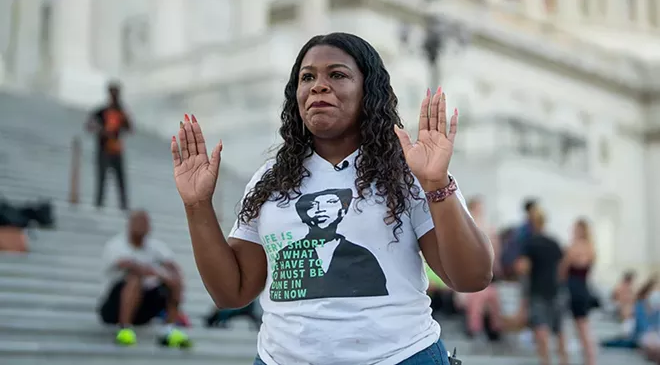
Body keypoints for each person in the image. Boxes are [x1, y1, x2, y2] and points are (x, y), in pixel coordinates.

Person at [171, 32, 494, 365]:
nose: (318, 86)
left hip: (400, 357)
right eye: (307, 77)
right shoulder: (269, 180)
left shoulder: (407, 172)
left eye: (337, 75)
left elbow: (472, 277)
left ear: (368, 91)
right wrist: (197, 206)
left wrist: (436, 182)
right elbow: (231, 292)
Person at [97, 210, 191, 348]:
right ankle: (125, 329)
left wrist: (173, 278)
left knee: (174, 281)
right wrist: (158, 274)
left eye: (145, 223)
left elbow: (173, 266)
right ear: (130, 224)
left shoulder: (155, 246)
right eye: (138, 223)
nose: (142, 227)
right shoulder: (116, 245)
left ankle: (169, 329)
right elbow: (128, 265)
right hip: (114, 307)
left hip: (143, 306)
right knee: (134, 279)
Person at [515, 210, 568, 365]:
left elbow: (523, 267)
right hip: (556, 290)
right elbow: (562, 269)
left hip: (537, 290)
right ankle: (564, 361)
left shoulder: (530, 243)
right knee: (559, 330)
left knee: (541, 328)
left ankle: (546, 361)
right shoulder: (554, 242)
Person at [86, 81, 132, 210]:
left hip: (116, 150)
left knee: (120, 180)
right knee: (102, 178)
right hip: (104, 149)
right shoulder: (103, 111)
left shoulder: (121, 112)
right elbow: (90, 124)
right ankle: (99, 203)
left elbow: (129, 128)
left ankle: (123, 205)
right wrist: (101, 130)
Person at [462, 197, 502, 341]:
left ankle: (494, 330)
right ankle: (475, 330)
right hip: (470, 276)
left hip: (486, 275)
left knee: (492, 298)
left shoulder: (488, 229)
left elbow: (495, 254)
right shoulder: (466, 227)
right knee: (477, 299)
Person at [559, 218, 597, 365]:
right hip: (584, 287)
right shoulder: (591, 247)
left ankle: (568, 361)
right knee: (584, 328)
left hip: (573, 288)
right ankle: (590, 361)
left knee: (569, 328)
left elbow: (563, 269)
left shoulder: (574, 247)